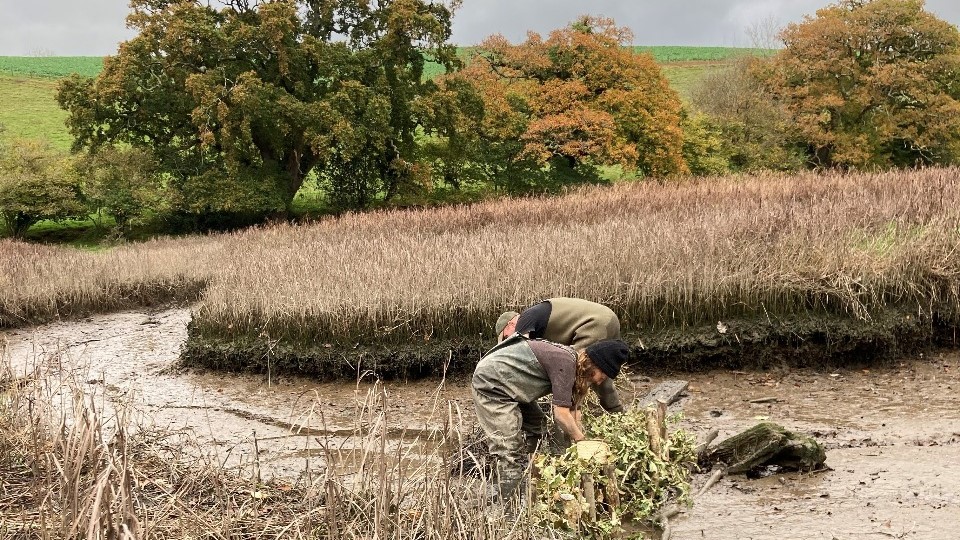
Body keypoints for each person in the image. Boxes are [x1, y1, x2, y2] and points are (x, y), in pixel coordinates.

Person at [472, 336, 630, 500]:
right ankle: (510, 504)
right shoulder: (565, 363)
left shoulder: (577, 370)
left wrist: (579, 446)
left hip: (512, 383)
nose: (599, 382)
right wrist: (582, 442)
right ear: (593, 365)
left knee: (537, 424)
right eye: (602, 376)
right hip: (491, 382)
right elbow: (561, 415)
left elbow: (574, 413)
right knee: (508, 447)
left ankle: (530, 472)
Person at [495, 297, 626, 413]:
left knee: (576, 371)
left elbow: (521, 356)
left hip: (593, 324)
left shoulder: (525, 319)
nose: (509, 340)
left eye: (506, 336)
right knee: (600, 372)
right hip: (608, 318)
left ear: (510, 324)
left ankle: (565, 431)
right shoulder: (538, 316)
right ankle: (617, 413)